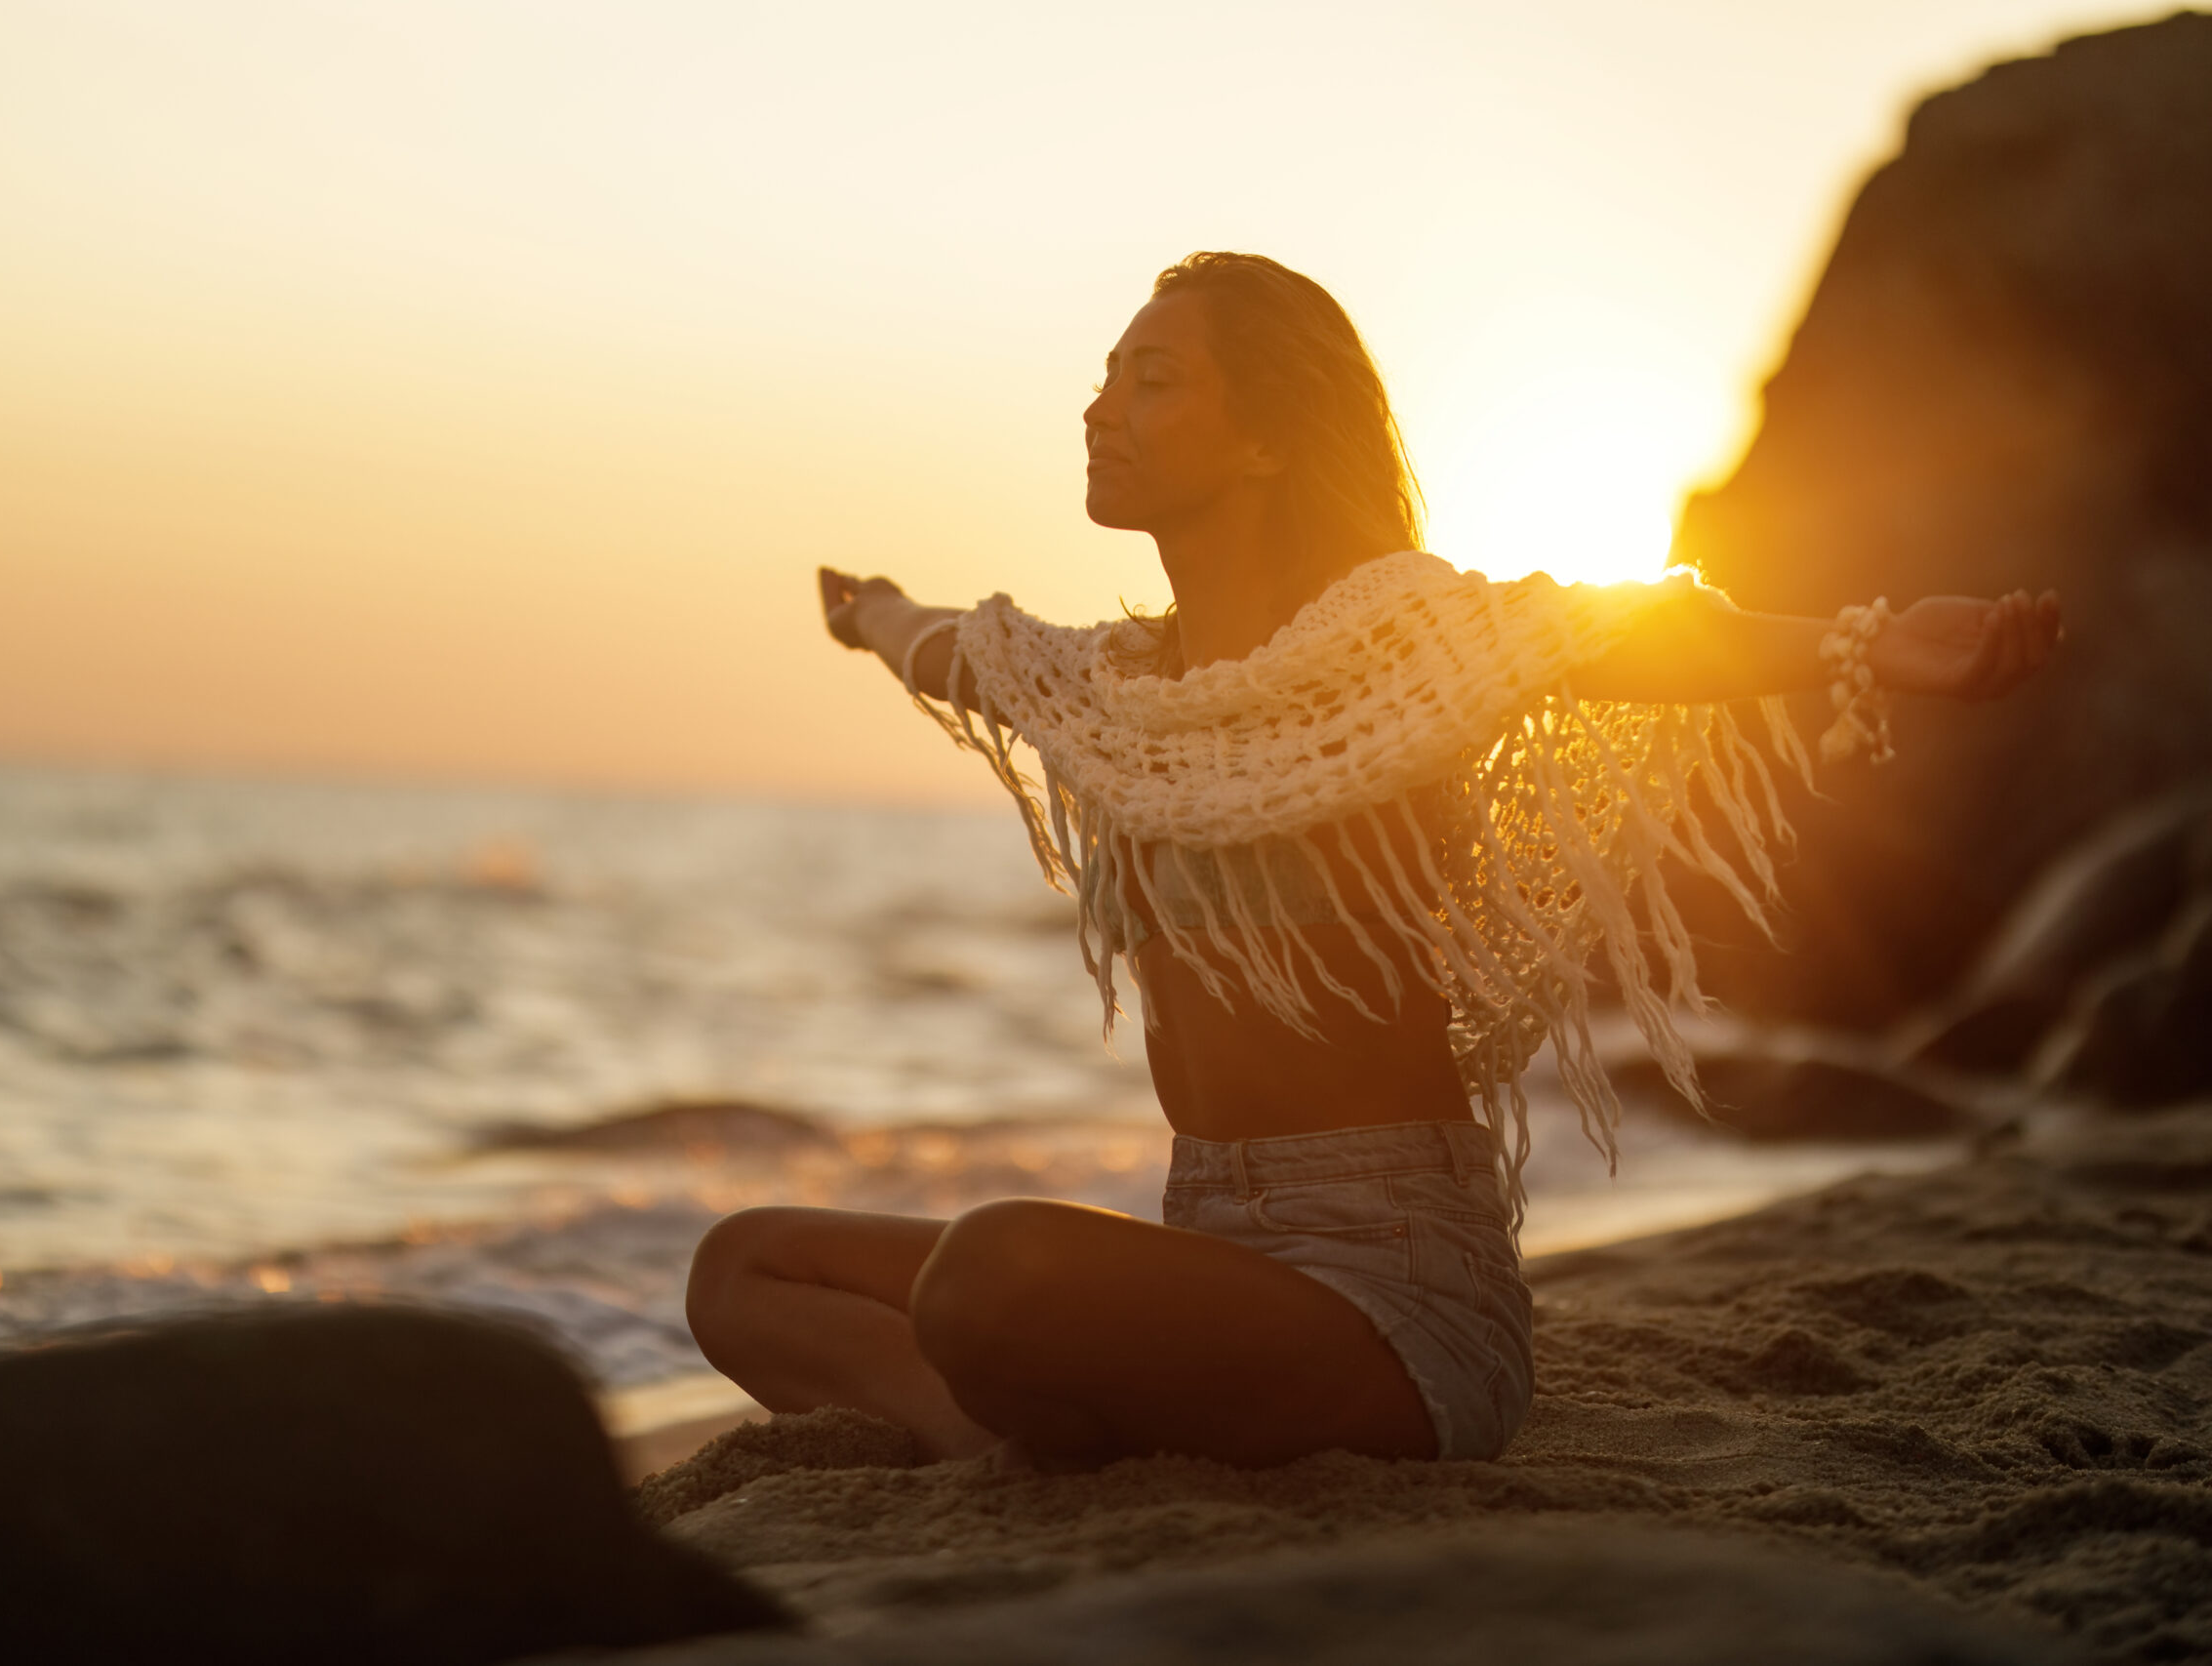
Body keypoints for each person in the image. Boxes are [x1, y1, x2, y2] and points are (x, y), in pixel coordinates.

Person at [685, 251, 2059, 1470]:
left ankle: (1029, 1417)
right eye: (1106, 376)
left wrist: (1865, 642)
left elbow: (1616, 634)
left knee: (991, 1273)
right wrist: (866, 612)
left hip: (1391, 1285)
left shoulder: (1400, 648)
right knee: (740, 1268)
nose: (1102, 407)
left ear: (1271, 440)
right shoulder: (1111, 691)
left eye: (1153, 379)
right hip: (1209, 1247)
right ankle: (984, 1425)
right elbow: (959, 648)